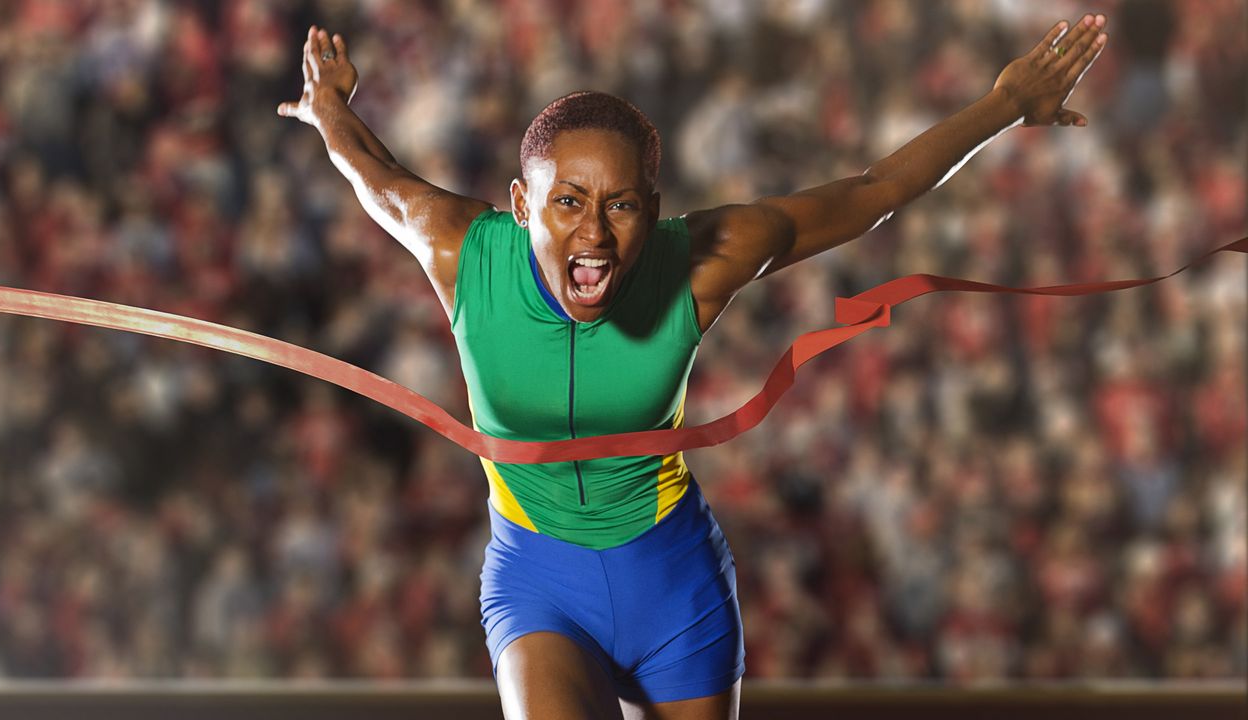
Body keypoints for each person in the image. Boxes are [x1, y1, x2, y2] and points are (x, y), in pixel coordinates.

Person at [278, 13, 1109, 720]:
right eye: (568, 201)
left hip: (674, 588)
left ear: (655, 209)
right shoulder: (463, 252)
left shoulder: (703, 262)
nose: (595, 233)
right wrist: (329, 108)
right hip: (540, 582)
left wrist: (1005, 106)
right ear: (523, 202)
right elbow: (375, 176)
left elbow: (870, 191)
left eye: (622, 204)